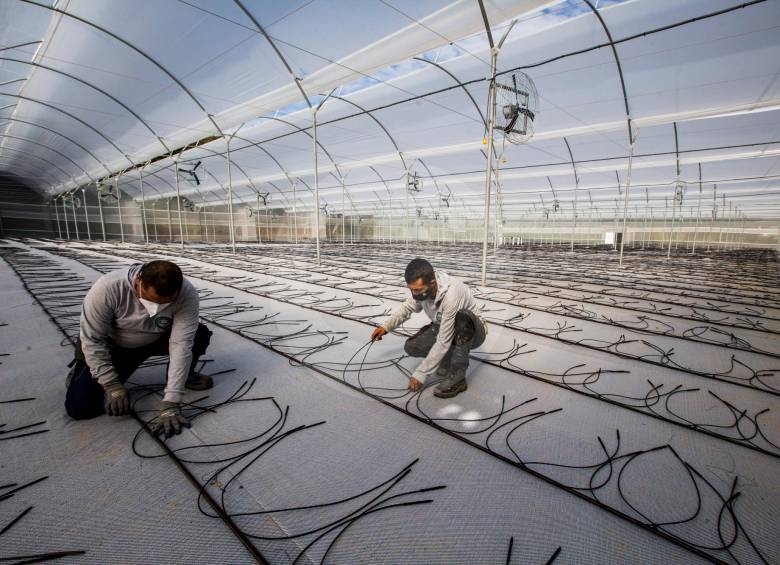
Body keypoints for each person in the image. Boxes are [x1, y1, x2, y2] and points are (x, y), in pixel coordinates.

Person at [64, 260, 213, 437]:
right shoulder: (108, 288)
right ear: (138, 281)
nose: (156, 310)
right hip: (117, 346)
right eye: (153, 301)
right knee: (80, 408)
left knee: (199, 334)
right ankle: (81, 371)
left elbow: (181, 344)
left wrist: (172, 401)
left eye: (165, 304)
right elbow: (93, 340)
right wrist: (112, 385)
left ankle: (184, 375)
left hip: (157, 339)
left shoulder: (186, 294)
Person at [370, 258, 487, 398]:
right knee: (412, 346)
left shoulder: (452, 294)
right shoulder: (424, 290)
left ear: (432, 283)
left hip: (472, 331)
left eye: (418, 290)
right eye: (411, 289)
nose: (415, 294)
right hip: (445, 326)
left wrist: (421, 373)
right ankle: (448, 358)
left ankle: (458, 377)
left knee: (463, 317)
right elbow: (408, 307)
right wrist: (386, 327)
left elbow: (444, 340)